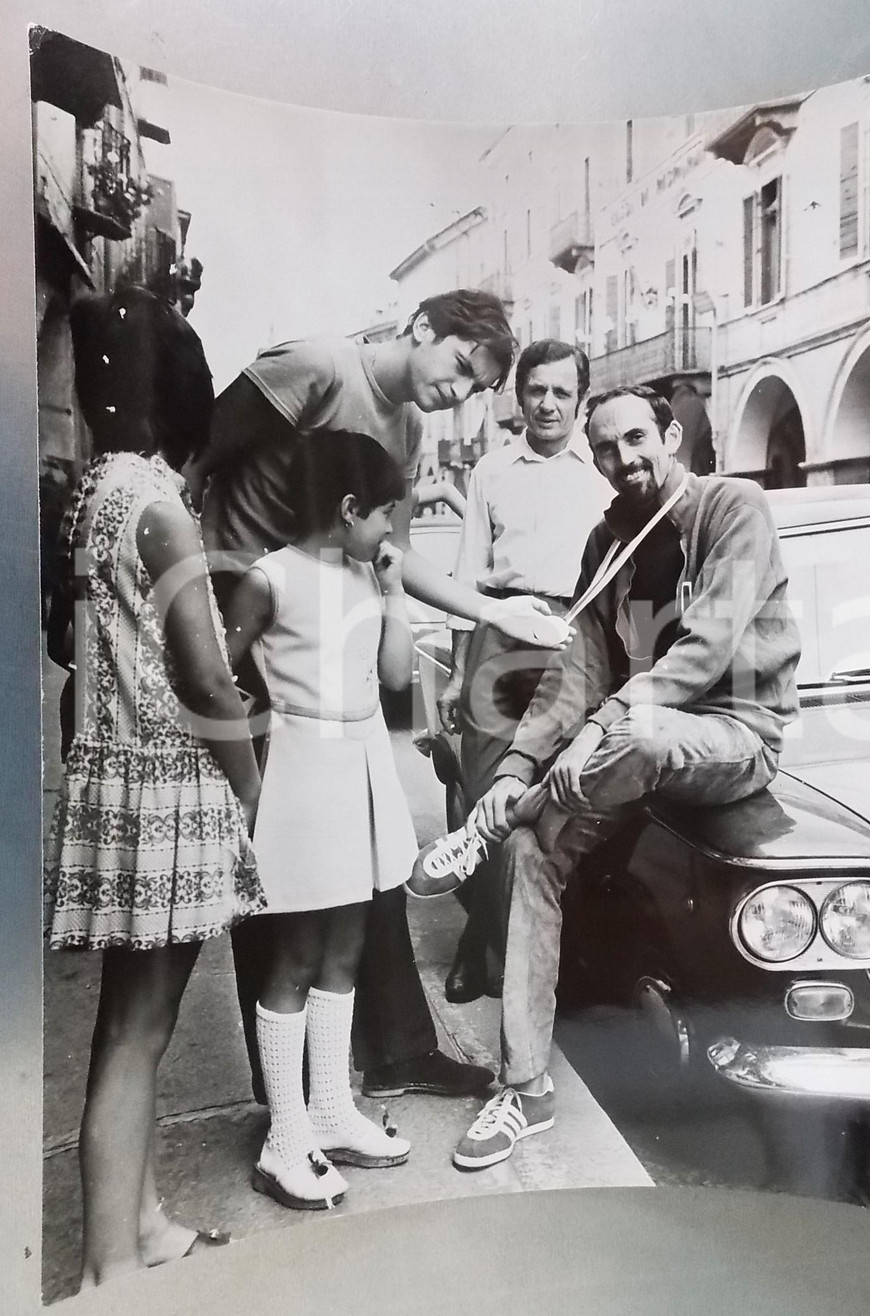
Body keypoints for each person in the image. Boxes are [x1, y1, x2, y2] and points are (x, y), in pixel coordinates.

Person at [194, 290, 561, 1103]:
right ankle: (284, 1093)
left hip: (337, 645)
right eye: (462, 367)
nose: (460, 392)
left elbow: (389, 555)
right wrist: (195, 607)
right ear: (420, 328)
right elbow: (198, 459)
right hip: (252, 628)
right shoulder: (320, 365)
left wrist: (492, 608)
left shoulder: (410, 428)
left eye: (478, 387)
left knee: (370, 854)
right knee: (278, 873)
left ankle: (396, 1052)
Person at [447, 384, 802, 1170]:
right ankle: (527, 1085)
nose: (623, 460)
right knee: (535, 851)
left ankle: (493, 822)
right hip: (633, 747)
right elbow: (576, 671)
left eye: (637, 438)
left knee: (632, 738)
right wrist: (516, 762)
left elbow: (706, 648)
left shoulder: (731, 507)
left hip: (734, 733)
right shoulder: (611, 540)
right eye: (604, 448)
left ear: (671, 434)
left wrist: (601, 730)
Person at [44, 287, 265, 1285]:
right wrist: (252, 788)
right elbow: (207, 677)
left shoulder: (95, 492)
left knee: (128, 1027)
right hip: (169, 784)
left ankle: (133, 1219)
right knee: (140, 1030)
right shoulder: (164, 508)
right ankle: (106, 1272)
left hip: (111, 783)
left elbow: (74, 639)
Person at [224, 432, 416, 1210]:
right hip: (304, 773)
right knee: (297, 953)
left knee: (348, 944)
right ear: (347, 509)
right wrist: (244, 777)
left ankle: (332, 1108)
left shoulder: (367, 580)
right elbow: (216, 676)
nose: (390, 534)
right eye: (384, 518)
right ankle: (286, 1135)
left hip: (361, 765)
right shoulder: (270, 579)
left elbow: (397, 676)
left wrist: (397, 593)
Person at [432, 339, 609, 1003]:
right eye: (537, 390)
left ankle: (533, 955)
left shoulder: (599, 481)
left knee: (550, 802)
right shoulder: (489, 474)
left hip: (570, 639)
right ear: (520, 396)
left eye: (563, 392)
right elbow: (465, 573)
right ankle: (478, 938)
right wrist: (455, 674)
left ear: (580, 401)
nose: (548, 403)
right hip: (499, 636)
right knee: (484, 792)